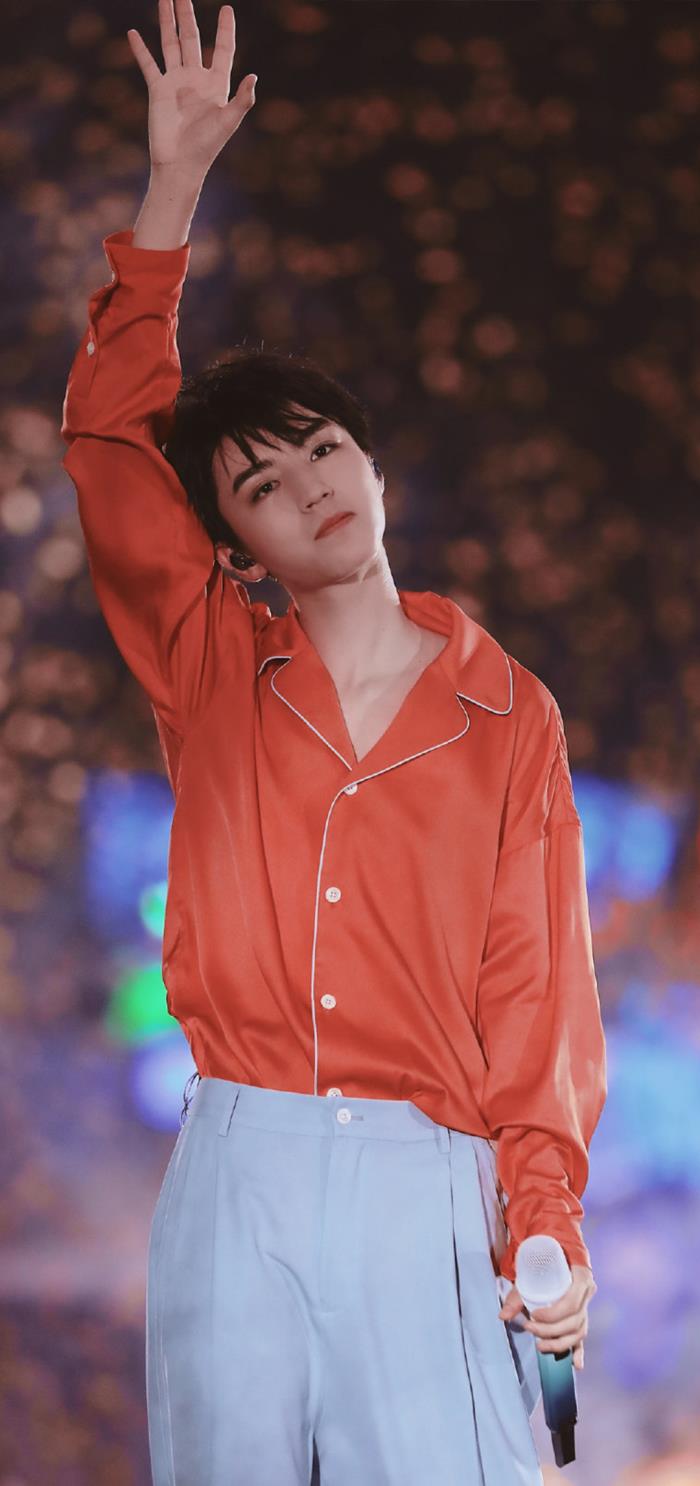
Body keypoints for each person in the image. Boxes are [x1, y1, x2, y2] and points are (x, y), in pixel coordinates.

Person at [60, 2, 607, 1483]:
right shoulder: (212, 670)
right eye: (257, 483)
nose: (307, 484)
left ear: (370, 464)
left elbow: (535, 995)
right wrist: (170, 195)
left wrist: (543, 1215)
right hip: (233, 1170)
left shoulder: (511, 714)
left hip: (425, 1183)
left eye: (322, 447)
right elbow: (110, 448)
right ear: (233, 544)